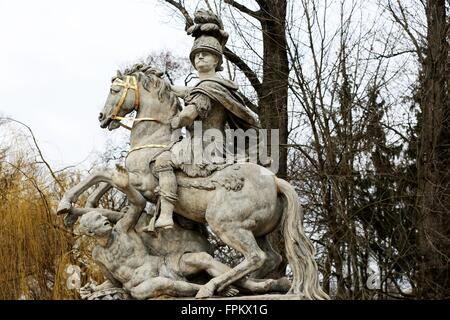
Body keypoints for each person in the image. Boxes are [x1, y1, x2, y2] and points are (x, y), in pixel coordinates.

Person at [152, 10, 260, 230]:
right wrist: (166, 87)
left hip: (204, 145)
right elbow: (184, 90)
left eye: (206, 54)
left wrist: (170, 122)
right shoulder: (205, 87)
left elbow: (187, 116)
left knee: (162, 161)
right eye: (197, 54)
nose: (200, 57)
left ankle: (166, 214)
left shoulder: (209, 88)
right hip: (203, 142)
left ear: (217, 60)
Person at [77, 209, 291, 299]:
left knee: (201, 259)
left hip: (162, 263)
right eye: (97, 219)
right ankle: (212, 290)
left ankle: (252, 285)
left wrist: (123, 184)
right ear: (90, 232)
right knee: (160, 283)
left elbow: (137, 205)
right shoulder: (98, 255)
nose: (104, 218)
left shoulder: (122, 229)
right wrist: (95, 288)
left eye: (101, 216)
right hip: (139, 286)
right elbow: (113, 281)